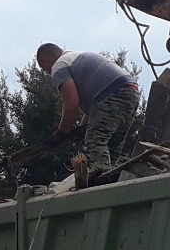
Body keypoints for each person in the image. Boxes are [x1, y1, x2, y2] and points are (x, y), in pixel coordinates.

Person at [36, 43, 141, 180]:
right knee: (112, 146)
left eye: (44, 69)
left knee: (95, 140)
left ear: (46, 60)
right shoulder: (76, 57)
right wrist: (82, 128)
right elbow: (94, 108)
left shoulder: (59, 66)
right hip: (130, 92)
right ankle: (113, 180)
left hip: (113, 93)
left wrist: (62, 133)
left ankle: (102, 180)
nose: (48, 73)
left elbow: (71, 104)